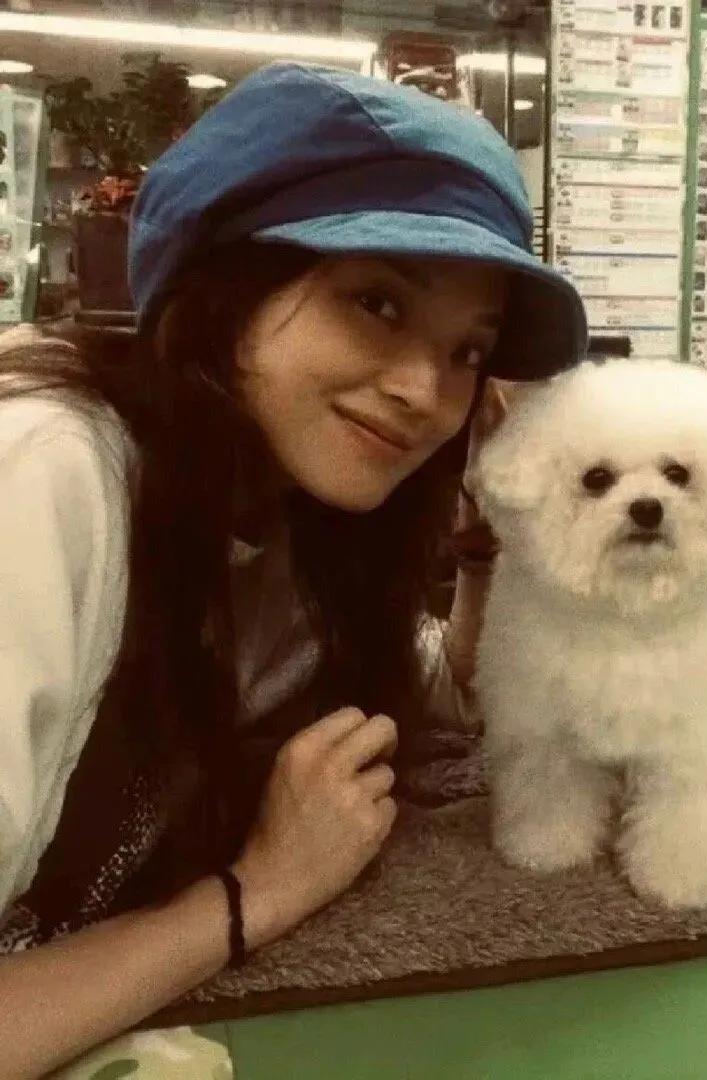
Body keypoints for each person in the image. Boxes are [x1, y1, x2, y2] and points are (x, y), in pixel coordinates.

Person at [0, 61, 586, 1078]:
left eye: (466, 351)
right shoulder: (47, 475)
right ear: (223, 290)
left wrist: (486, 548)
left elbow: (447, 702)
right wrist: (257, 891)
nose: (425, 391)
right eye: (377, 303)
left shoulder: (289, 521)